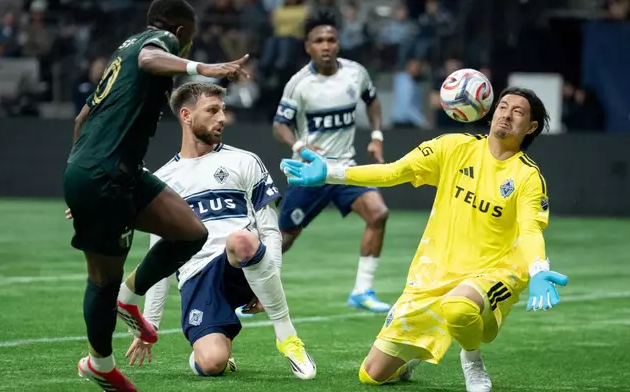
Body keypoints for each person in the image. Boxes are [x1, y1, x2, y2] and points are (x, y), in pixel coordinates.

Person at [280, 87, 569, 392]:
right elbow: (393, 172)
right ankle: (414, 355)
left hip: (495, 269)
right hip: (435, 272)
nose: (507, 115)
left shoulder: (527, 177)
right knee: (372, 375)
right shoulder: (453, 147)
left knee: (459, 309)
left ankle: (472, 361)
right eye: (503, 107)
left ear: (531, 127)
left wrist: (538, 268)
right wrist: (331, 174)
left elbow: (529, 229)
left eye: (518, 112)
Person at [63, 1, 250, 390]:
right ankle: (99, 363)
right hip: (104, 178)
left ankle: (130, 297)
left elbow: (82, 119)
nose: (183, 49)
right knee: (101, 281)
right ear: (181, 32)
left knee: (190, 231)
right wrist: (204, 68)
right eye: (189, 42)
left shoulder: (120, 55)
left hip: (115, 172)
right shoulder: (157, 42)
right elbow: (153, 58)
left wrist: (76, 176)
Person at [122, 82, 317, 380]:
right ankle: (213, 351)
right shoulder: (162, 181)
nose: (222, 118)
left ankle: (287, 337)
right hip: (197, 276)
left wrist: (271, 279)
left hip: (242, 262)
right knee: (212, 364)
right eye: (212, 111)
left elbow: (270, 230)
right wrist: (149, 325)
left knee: (241, 238)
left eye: (223, 110)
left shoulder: (244, 161)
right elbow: (158, 258)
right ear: (186, 116)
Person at [272, 9, 391, 313]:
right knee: (283, 238)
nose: (326, 45)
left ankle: (362, 291)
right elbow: (279, 124)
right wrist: (299, 143)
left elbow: (372, 100)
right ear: (307, 46)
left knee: (378, 214)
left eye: (331, 39)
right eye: (318, 41)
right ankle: (251, 293)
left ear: (338, 43)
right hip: (310, 172)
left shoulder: (356, 73)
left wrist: (376, 134)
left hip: (345, 168)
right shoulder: (299, 84)